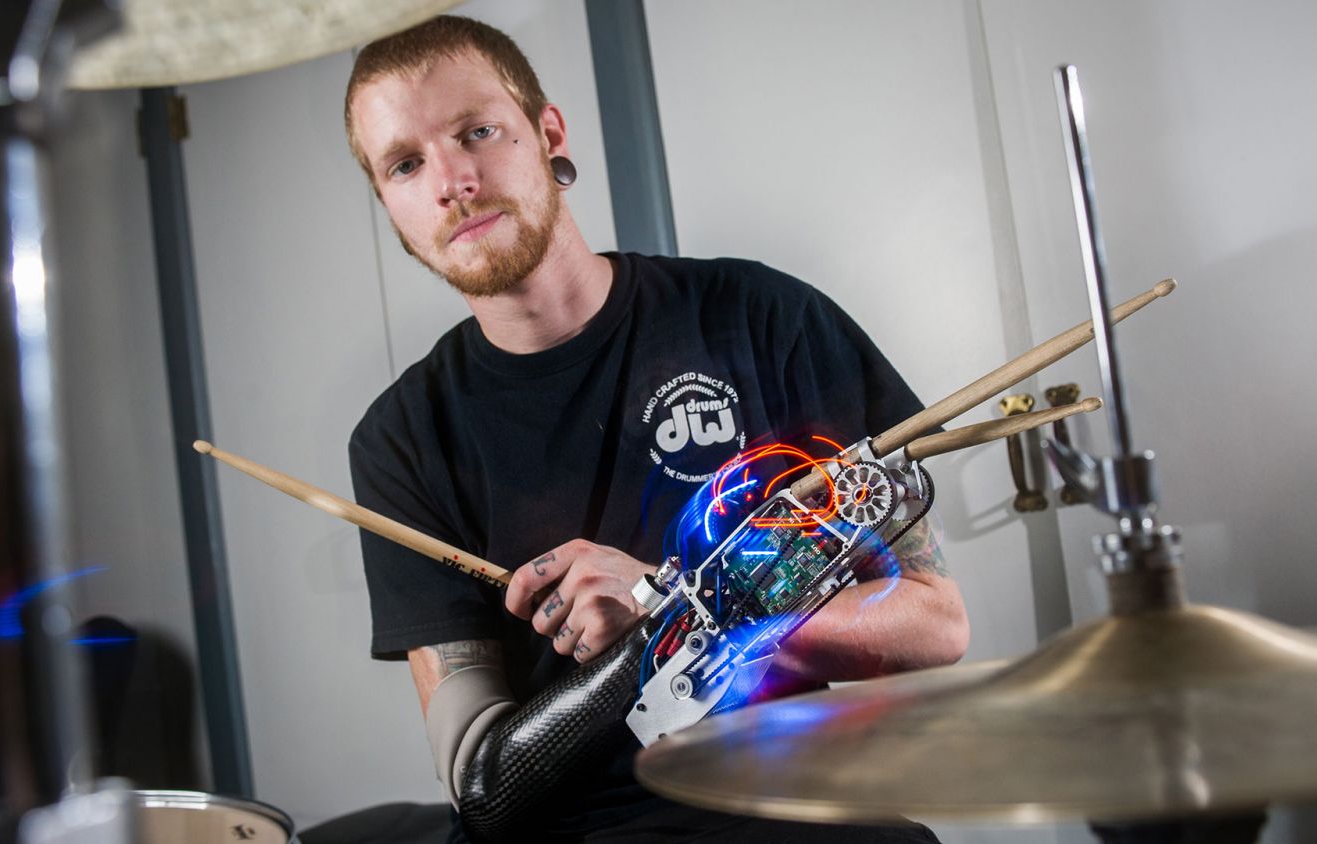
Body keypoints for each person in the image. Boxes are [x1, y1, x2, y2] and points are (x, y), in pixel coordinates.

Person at [344, 15, 968, 842]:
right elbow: (480, 776)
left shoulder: (762, 319)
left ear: (547, 131)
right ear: (389, 204)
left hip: (772, 808)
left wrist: (674, 608)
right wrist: (649, 646)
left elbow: (934, 622)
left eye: (478, 132)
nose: (451, 181)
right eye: (406, 164)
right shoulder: (401, 438)